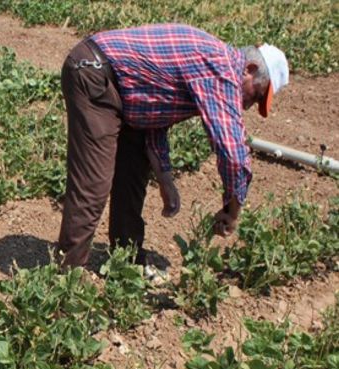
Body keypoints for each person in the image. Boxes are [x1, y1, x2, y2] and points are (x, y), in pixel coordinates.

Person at [57, 24, 289, 268]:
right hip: (94, 73)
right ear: (249, 70)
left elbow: (154, 113)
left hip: (121, 87)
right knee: (93, 183)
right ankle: (67, 277)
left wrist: (165, 180)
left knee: (133, 169)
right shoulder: (221, 70)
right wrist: (233, 211)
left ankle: (125, 260)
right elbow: (232, 152)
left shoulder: (216, 62)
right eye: (256, 95)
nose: (248, 106)